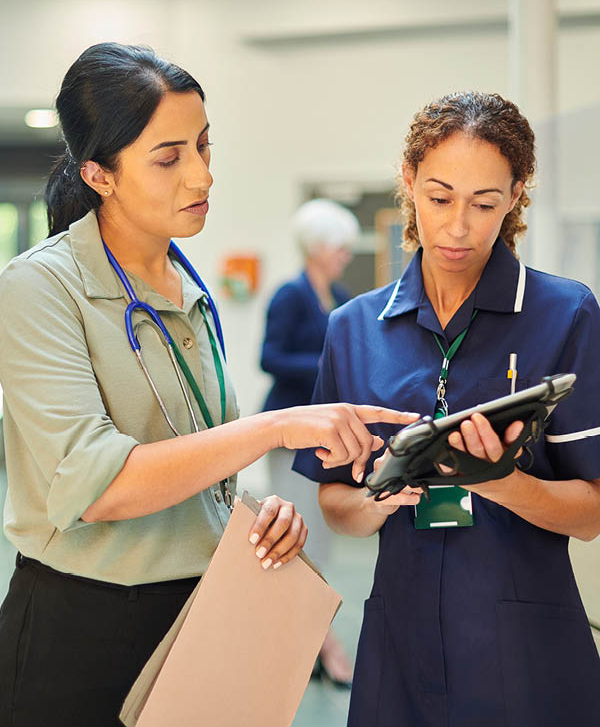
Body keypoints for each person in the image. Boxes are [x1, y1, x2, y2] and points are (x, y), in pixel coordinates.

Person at [0, 42, 414, 727]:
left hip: (198, 618)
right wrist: (275, 428)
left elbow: (199, 459)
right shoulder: (39, 287)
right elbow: (96, 483)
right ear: (99, 174)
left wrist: (247, 518)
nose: (202, 175)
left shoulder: (188, 287)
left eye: (203, 146)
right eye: (169, 158)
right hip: (80, 634)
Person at [294, 92, 600, 727]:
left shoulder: (566, 315)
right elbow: (334, 503)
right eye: (439, 198)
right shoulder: (353, 328)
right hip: (398, 644)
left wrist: (500, 482)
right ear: (408, 183)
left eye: (485, 203)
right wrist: (383, 496)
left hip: (526, 647)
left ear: (516, 195)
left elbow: (592, 513)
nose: (459, 226)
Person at [261, 198, 359, 687]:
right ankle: (320, 644)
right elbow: (270, 357)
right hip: (287, 435)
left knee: (319, 541)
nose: (345, 255)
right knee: (295, 541)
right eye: (340, 247)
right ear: (318, 247)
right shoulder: (289, 296)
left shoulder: (339, 295)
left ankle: (315, 639)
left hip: (323, 436)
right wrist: (324, 368)